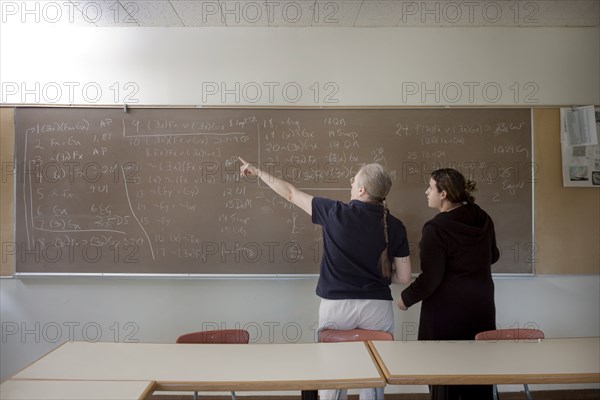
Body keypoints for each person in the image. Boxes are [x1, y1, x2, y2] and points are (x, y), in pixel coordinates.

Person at [238, 157, 412, 400]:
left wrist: (257, 172)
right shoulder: (395, 225)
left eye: (355, 179)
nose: (351, 182)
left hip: (336, 307)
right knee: (372, 377)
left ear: (361, 189)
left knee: (333, 374)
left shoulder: (334, 212)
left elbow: (290, 193)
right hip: (377, 308)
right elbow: (403, 277)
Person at [397, 168, 499, 400]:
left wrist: (407, 298)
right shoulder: (483, 218)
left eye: (430, 187)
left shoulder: (435, 229)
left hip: (446, 313)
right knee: (479, 373)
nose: (426, 192)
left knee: (443, 374)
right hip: (481, 307)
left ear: (443, 194)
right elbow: (493, 256)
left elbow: (432, 277)